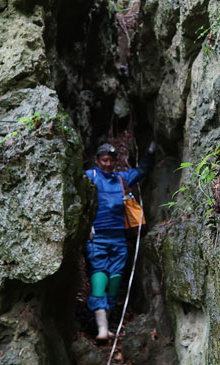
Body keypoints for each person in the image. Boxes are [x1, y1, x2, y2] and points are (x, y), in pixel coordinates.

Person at [85, 141, 155, 341]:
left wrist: (151, 150)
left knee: (114, 280)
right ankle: (102, 329)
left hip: (119, 238)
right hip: (96, 237)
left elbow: (141, 170)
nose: (107, 163)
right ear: (97, 160)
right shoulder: (90, 177)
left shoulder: (121, 179)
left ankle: (105, 327)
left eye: (111, 160)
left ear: (115, 162)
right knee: (99, 280)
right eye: (104, 160)